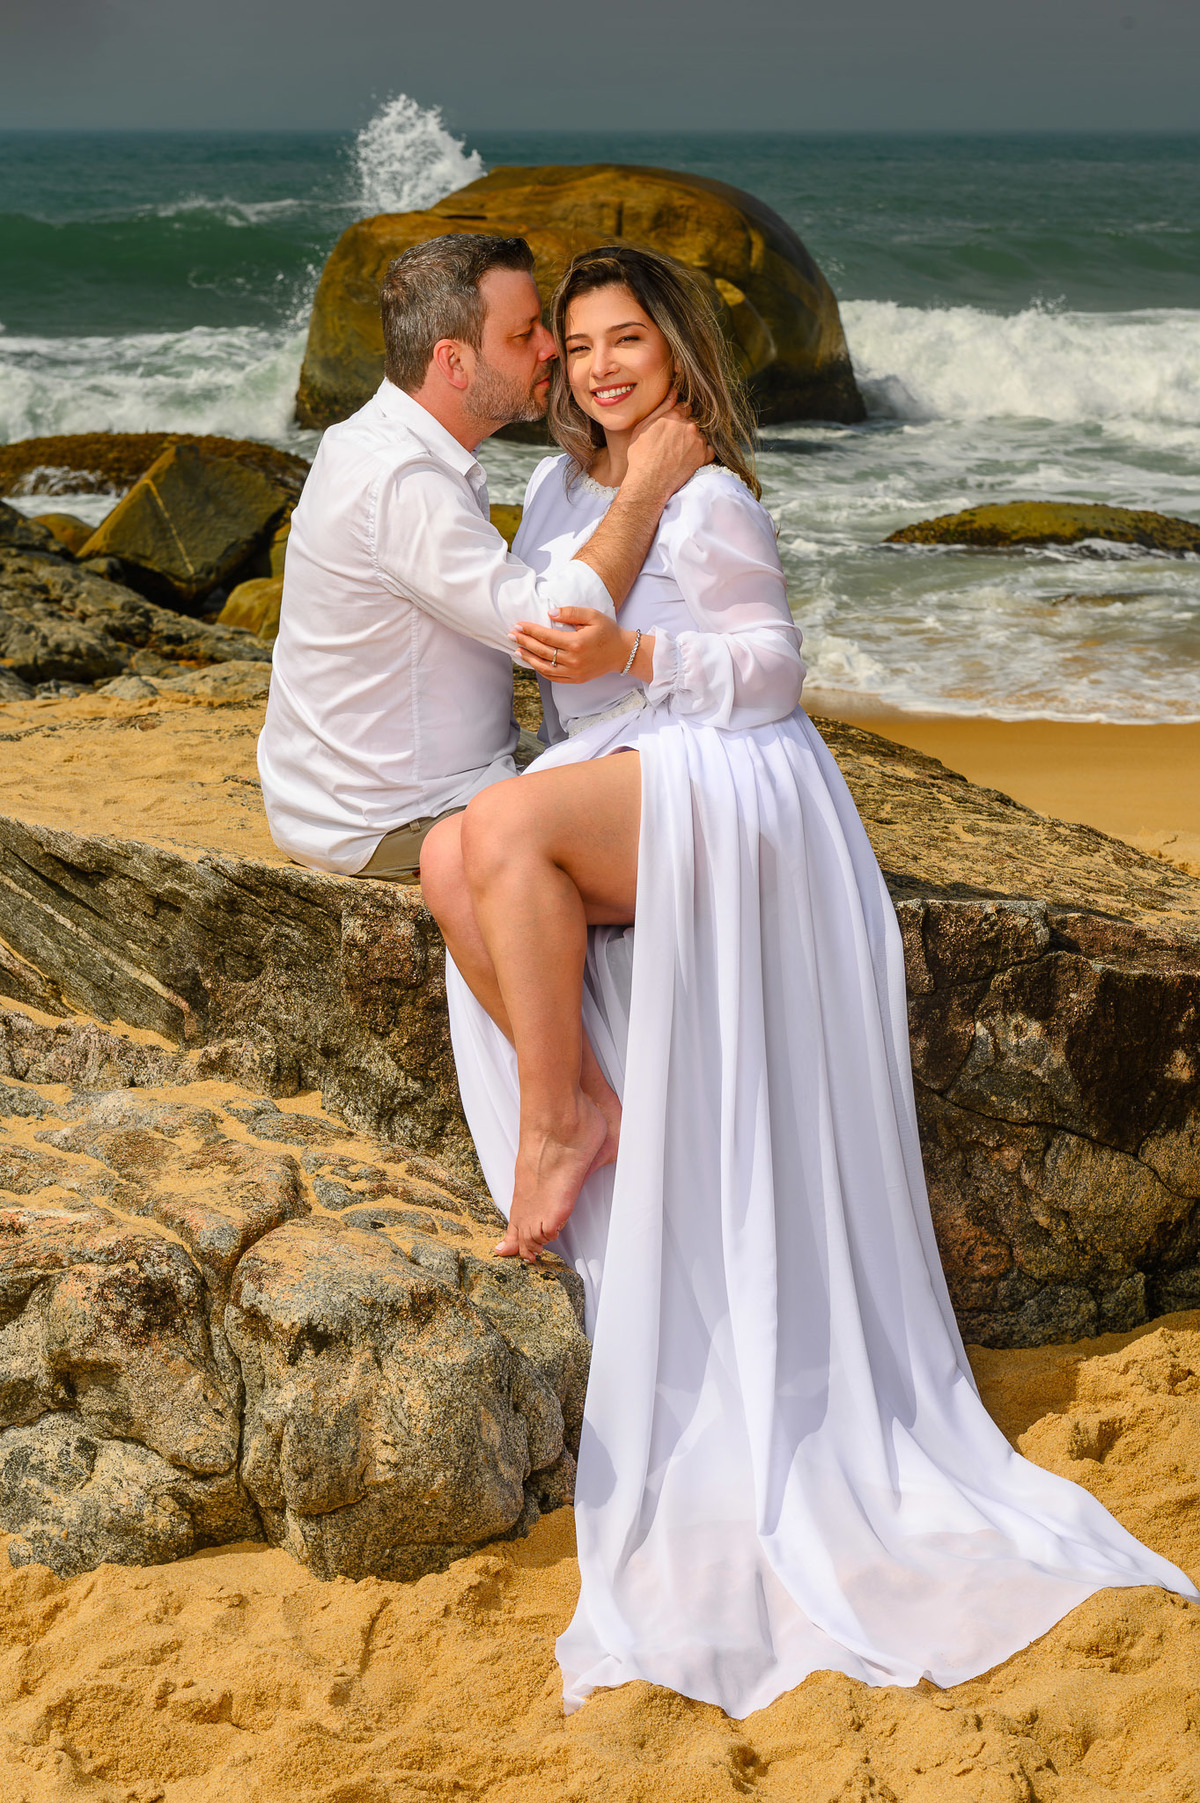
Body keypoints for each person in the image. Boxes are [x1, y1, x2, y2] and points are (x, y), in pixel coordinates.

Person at [420, 245, 1198, 1721]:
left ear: (677, 347)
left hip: (736, 774)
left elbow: (773, 669)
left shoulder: (711, 495)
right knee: (456, 854)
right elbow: (543, 652)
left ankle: (560, 1122)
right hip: (622, 768)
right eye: (575, 344)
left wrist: (645, 641)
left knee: (506, 825)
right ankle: (581, 1092)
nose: (597, 365)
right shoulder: (561, 492)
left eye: (625, 339)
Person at [257, 232, 708, 889]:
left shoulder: (371, 442)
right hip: (392, 816)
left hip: (348, 794)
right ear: (454, 362)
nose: (552, 348)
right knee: (691, 832)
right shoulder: (401, 480)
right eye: (524, 335)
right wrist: (646, 486)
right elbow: (553, 629)